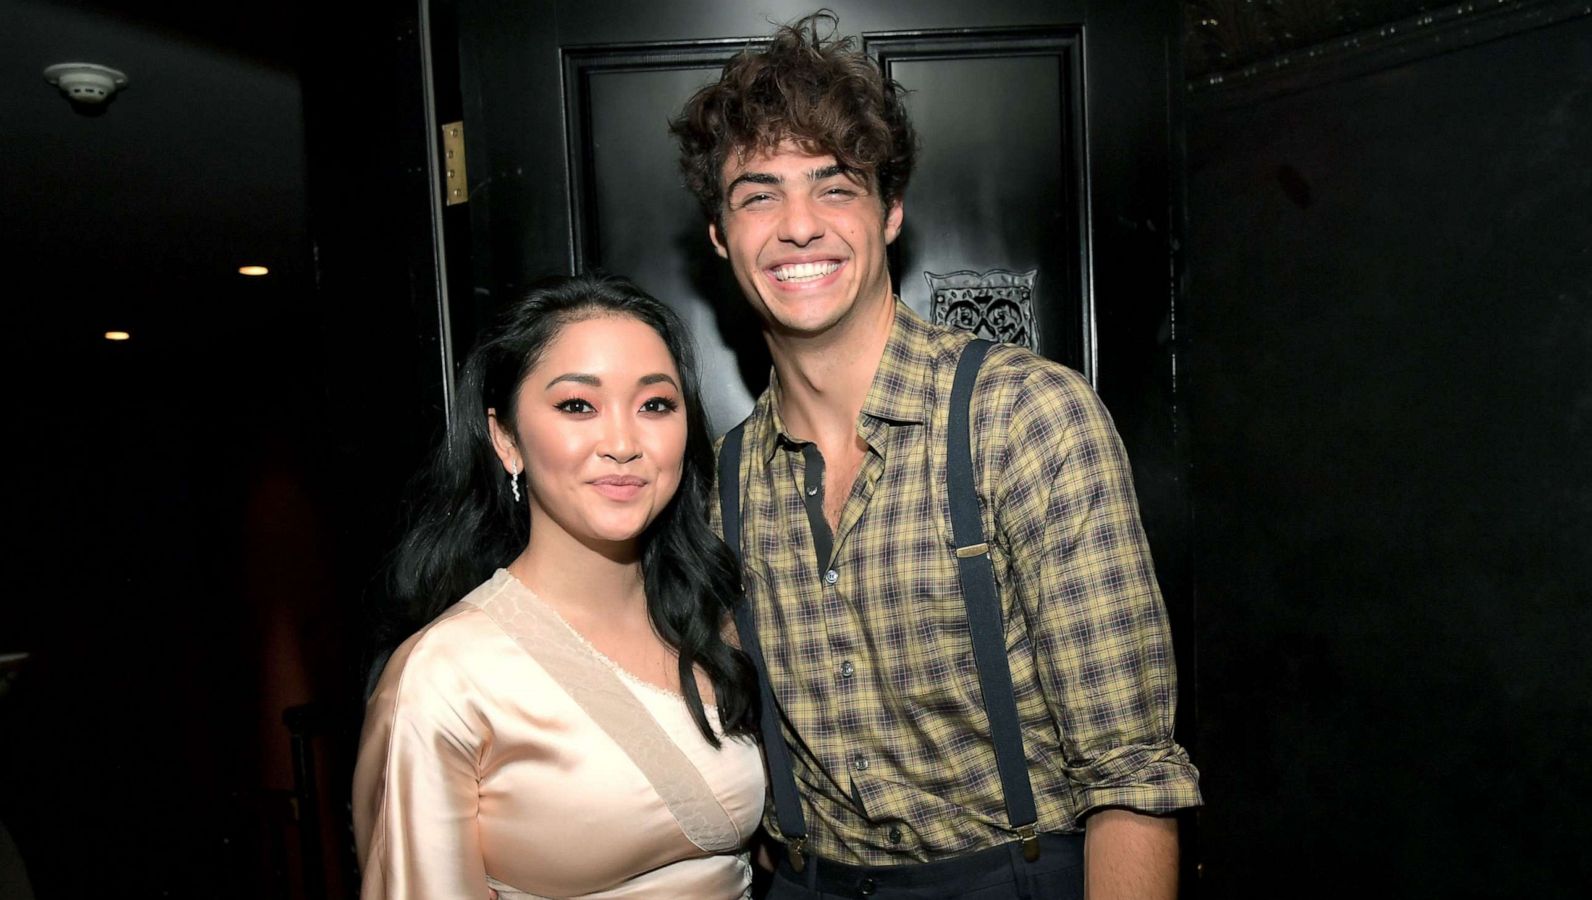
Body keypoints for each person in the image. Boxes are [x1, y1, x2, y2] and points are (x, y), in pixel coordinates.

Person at [671, 12, 1202, 899]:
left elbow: (1132, 779)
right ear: (722, 236)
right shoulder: (725, 480)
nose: (798, 226)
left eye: (834, 187)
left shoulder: (1027, 419)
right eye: (758, 193)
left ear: (889, 214)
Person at [353, 274, 765, 899]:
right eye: (578, 406)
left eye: (655, 405)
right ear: (506, 438)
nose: (624, 444)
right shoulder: (446, 675)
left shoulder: (711, 620)